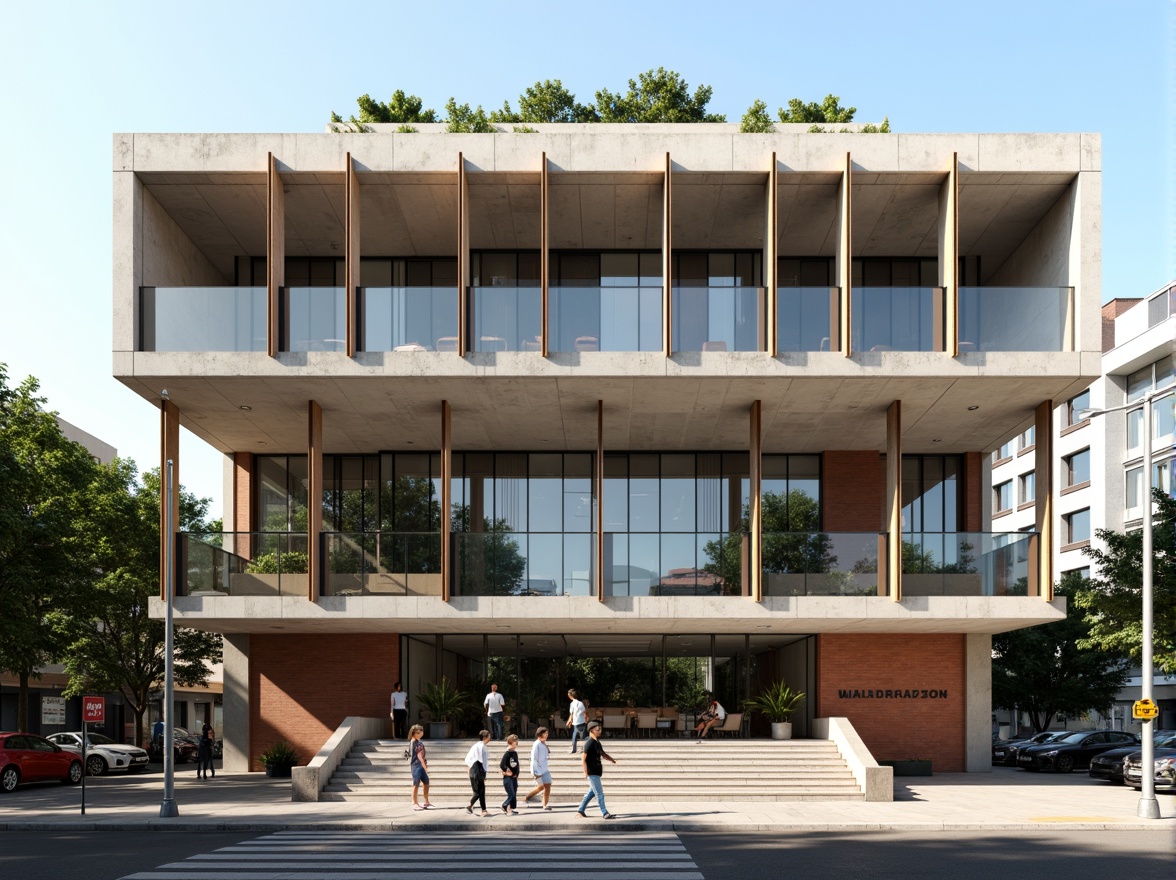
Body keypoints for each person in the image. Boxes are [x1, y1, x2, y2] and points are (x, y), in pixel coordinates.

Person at [576, 722, 617, 819]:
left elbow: (603, 754)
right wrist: (585, 771)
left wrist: (611, 759)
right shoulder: (589, 743)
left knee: (591, 792)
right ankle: (605, 812)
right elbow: (584, 758)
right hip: (592, 771)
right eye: (597, 730)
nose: (599, 731)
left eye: (600, 729)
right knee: (599, 793)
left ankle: (581, 810)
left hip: (597, 771)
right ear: (591, 730)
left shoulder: (597, 742)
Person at [464, 729, 491, 816]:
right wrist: (484, 773)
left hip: (473, 769)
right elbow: (483, 761)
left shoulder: (475, 745)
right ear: (485, 737)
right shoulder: (482, 747)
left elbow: (468, 759)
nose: (490, 738)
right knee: (479, 792)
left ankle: (484, 809)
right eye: (489, 736)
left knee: (480, 791)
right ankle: (469, 805)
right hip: (478, 770)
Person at [523, 726, 552, 809]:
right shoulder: (537, 744)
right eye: (544, 733)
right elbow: (534, 759)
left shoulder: (543, 743)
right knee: (541, 787)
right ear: (540, 734)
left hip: (545, 769)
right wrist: (536, 772)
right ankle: (528, 797)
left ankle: (545, 804)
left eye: (547, 733)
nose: (546, 735)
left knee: (547, 786)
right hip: (538, 770)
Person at [408, 724, 433, 810]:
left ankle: (426, 801)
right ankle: (414, 802)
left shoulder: (418, 742)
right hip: (416, 765)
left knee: (426, 782)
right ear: (414, 733)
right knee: (416, 783)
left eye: (421, 732)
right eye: (419, 732)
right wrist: (425, 767)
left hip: (420, 765)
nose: (421, 734)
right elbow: (419, 756)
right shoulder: (413, 742)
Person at [499, 733, 521, 814]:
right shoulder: (507, 753)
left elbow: (516, 764)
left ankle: (510, 809)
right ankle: (504, 805)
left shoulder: (514, 753)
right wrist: (507, 770)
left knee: (514, 793)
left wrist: (516, 773)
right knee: (511, 794)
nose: (516, 743)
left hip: (514, 776)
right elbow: (502, 764)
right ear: (510, 742)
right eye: (515, 741)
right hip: (508, 777)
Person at [567, 688, 588, 754]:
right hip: (582, 721)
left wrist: (569, 721)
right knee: (583, 736)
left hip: (576, 722)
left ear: (570, 696)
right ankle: (590, 742)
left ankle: (574, 749)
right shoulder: (581, 703)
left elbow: (572, 713)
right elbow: (584, 712)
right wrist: (586, 719)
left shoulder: (572, 704)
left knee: (574, 736)